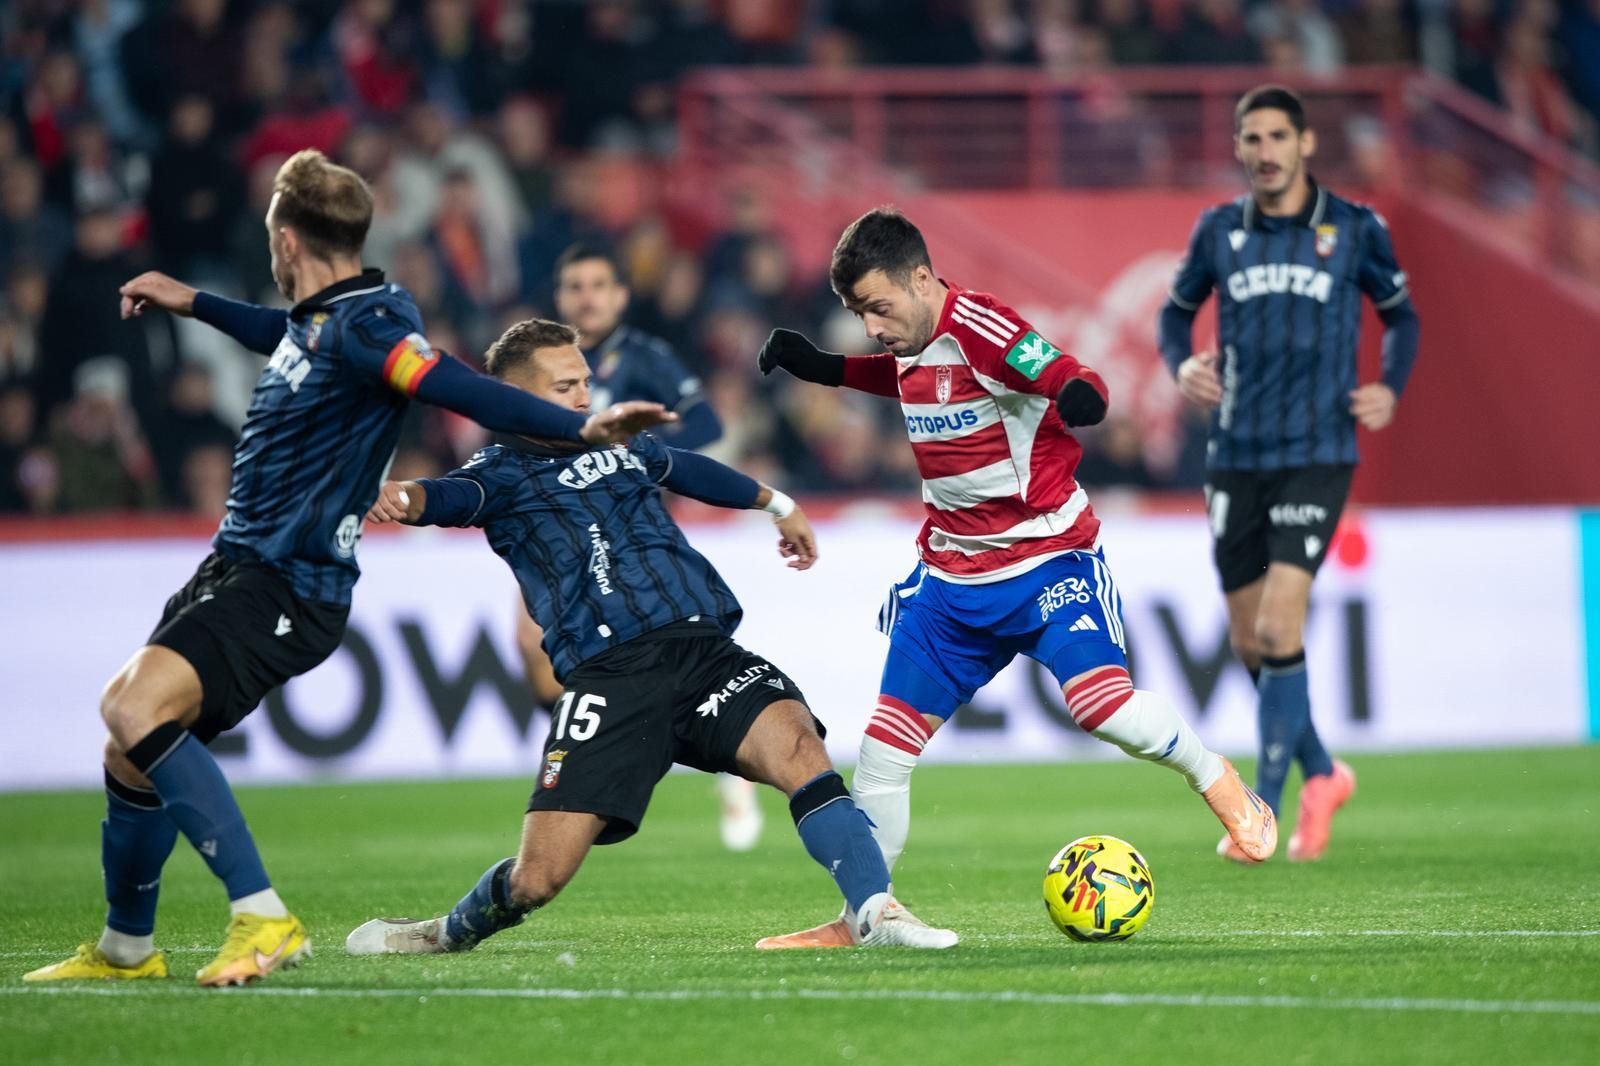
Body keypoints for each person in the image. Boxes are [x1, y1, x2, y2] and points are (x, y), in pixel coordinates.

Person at [23, 150, 672, 988]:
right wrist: (195, 302)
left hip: (288, 580)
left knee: (133, 704)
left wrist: (573, 427)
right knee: (129, 749)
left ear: (286, 240)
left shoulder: (374, 327)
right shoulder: (326, 321)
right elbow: (290, 338)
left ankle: (262, 916)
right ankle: (125, 949)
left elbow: (449, 384)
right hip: (237, 563)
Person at [345, 318, 957, 955]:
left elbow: (685, 468)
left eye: (585, 381)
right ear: (516, 399)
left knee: (802, 749)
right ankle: (444, 933)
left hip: (702, 652)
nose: (584, 396)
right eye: (564, 387)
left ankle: (874, 911)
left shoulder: (619, 443)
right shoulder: (497, 474)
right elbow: (440, 498)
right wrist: (398, 497)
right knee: (537, 879)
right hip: (612, 679)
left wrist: (777, 504)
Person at [753, 207, 1276, 949]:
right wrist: (826, 369)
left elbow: (1064, 372)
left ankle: (1217, 779)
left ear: (922, 279)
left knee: (1103, 707)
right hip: (951, 581)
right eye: (858, 313)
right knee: (883, 753)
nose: (870, 327)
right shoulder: (912, 340)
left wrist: (1081, 393)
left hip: (1046, 561)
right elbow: (909, 379)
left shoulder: (982, 327)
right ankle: (866, 917)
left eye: (877, 307)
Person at [1158, 86, 1420, 863]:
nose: (1265, 150)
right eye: (1252, 138)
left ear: (1305, 144)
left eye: (1278, 136)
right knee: (1250, 643)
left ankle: (1261, 812)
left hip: (1318, 452)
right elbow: (1174, 314)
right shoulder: (1218, 230)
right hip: (1235, 455)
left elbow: (1402, 316)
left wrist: (1389, 387)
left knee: (1278, 629)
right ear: (1239, 148)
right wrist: (1181, 366)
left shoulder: (1355, 228)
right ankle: (1324, 773)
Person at [512, 242, 764, 854]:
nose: (587, 298)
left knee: (650, 647)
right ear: (559, 297)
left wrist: (637, 445)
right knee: (529, 646)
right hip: (554, 528)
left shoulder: (645, 357)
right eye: (574, 287)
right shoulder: (543, 366)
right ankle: (629, 741)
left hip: (627, 533)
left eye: (598, 285)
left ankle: (720, 761)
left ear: (621, 296)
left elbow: (706, 423)